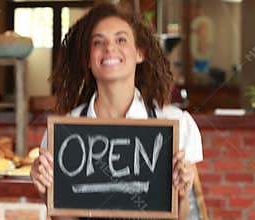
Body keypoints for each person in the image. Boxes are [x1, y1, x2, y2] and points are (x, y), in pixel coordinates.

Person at [30, 2, 203, 220]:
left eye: (121, 39)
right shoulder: (63, 133)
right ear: (87, 60)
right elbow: (65, 217)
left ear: (140, 53)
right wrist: (47, 194)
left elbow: (185, 216)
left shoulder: (177, 124)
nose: (109, 48)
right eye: (98, 42)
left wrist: (181, 194)